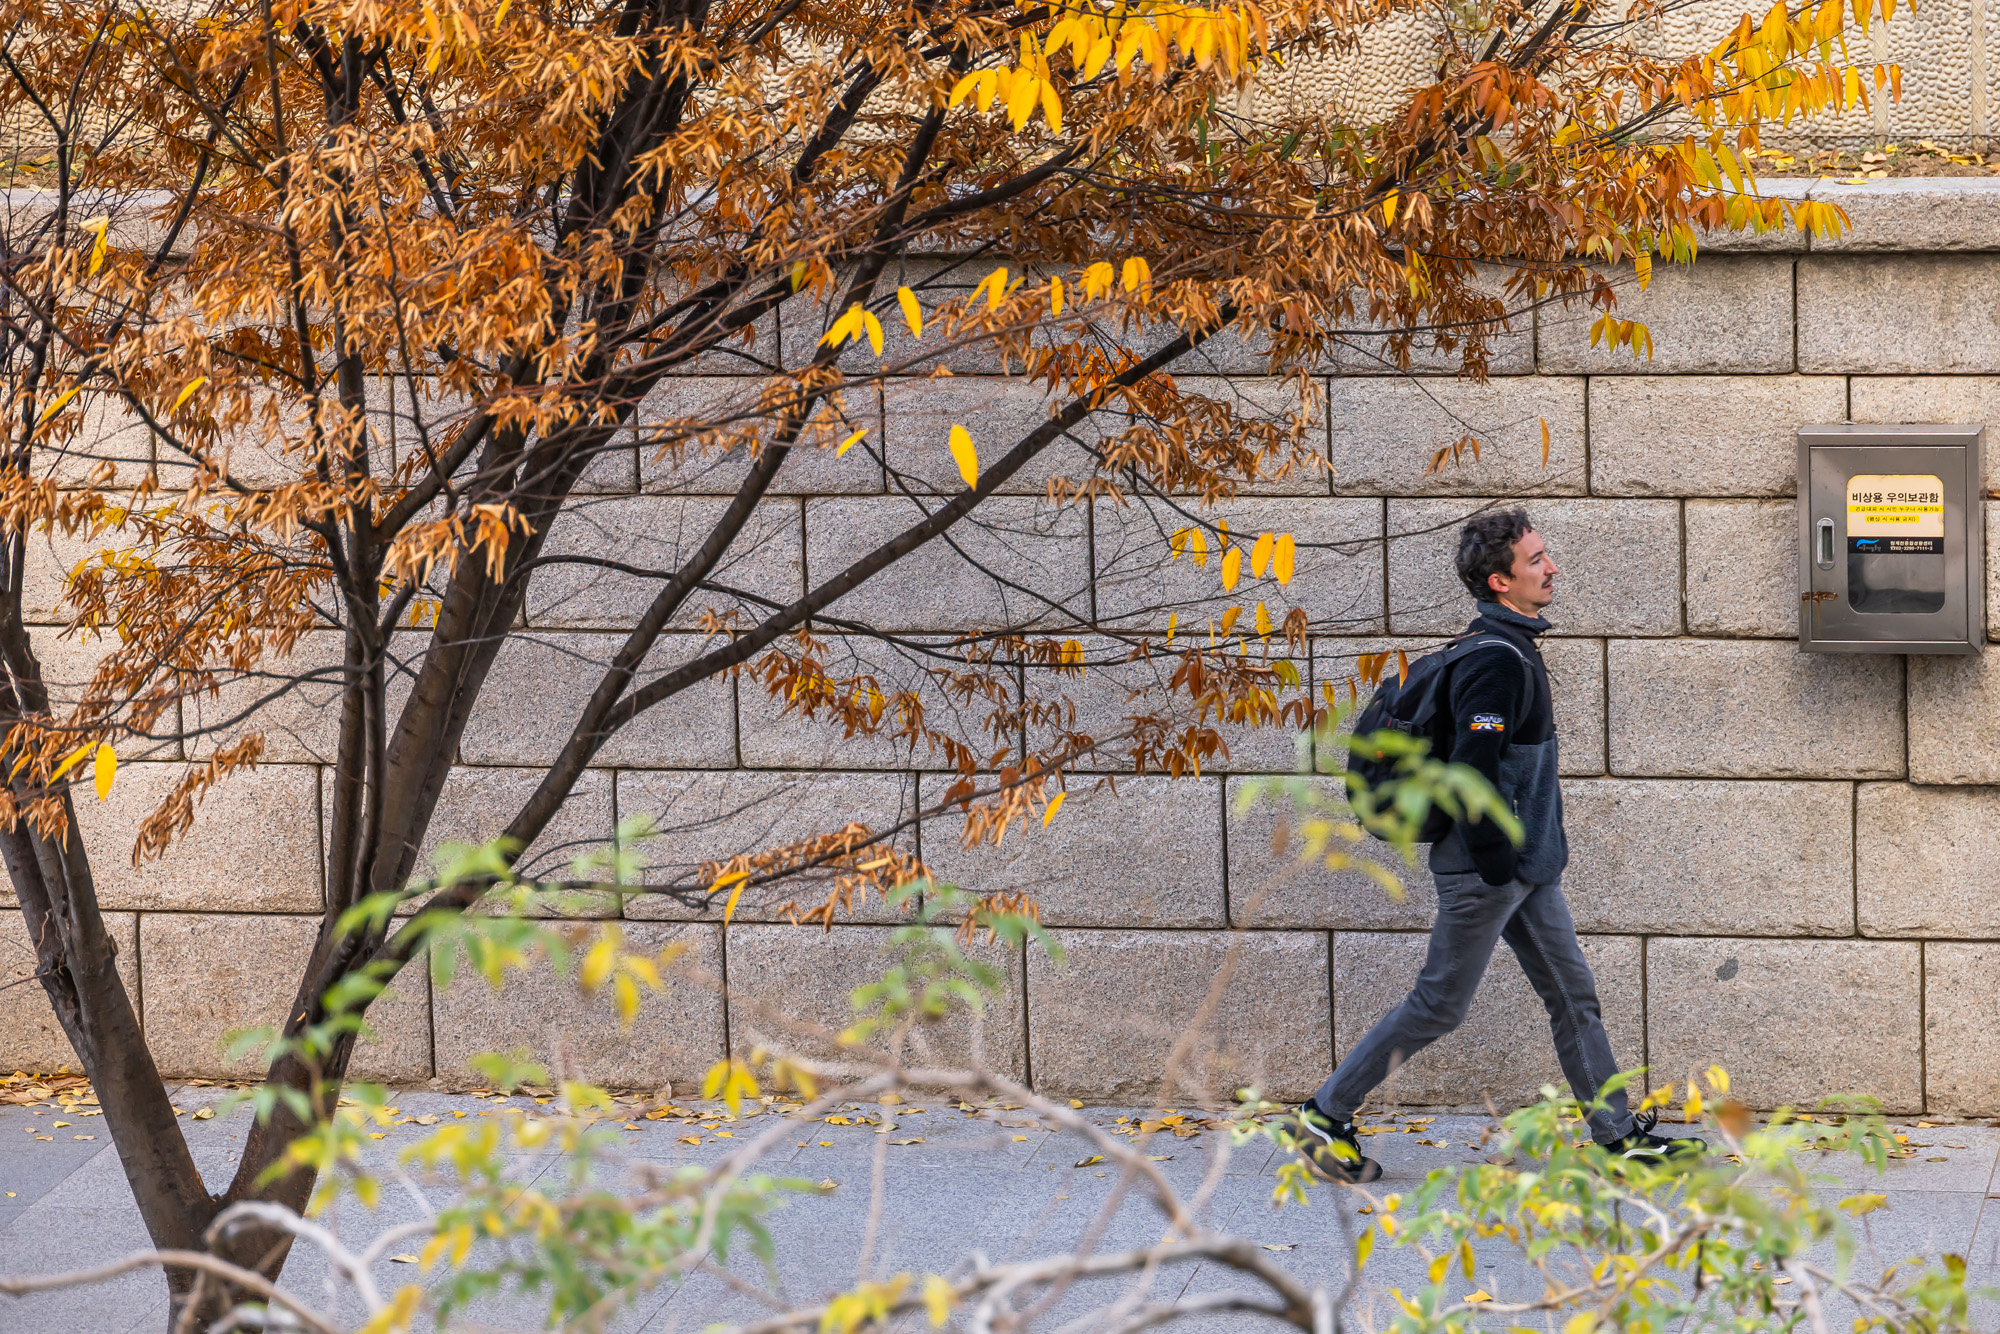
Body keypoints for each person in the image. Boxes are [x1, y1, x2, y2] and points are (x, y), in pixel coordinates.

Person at [1278, 509, 1704, 1182]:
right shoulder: (1497, 662)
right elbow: (1472, 768)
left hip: (1528, 871)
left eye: (1545, 557)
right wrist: (1499, 864)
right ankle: (1323, 1116)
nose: (1551, 567)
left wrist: (1525, 865)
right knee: (1439, 1005)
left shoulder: (1510, 648)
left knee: (1573, 997)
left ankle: (1620, 1139)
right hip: (1489, 873)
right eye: (1536, 561)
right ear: (1501, 582)